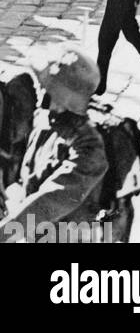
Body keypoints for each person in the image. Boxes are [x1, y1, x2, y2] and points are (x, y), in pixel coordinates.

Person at [1, 47, 108, 244]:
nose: (41, 89)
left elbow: (50, 201)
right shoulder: (45, 119)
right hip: (31, 227)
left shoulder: (89, 148)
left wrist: (6, 232)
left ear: (61, 98)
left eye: (47, 86)